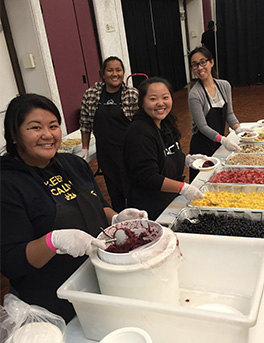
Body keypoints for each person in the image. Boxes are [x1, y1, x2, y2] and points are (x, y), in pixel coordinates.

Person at [0, 94, 147, 323]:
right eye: (35, 127)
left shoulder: (74, 164)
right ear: (14, 135)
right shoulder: (7, 184)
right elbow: (11, 262)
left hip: (98, 278)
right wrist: (53, 241)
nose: (47, 135)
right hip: (52, 302)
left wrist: (117, 218)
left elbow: (99, 205)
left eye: (53, 126)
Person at [124, 77, 206, 221]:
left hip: (169, 200)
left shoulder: (166, 122)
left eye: (165, 97)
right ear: (142, 102)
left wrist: (186, 160)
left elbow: (169, 153)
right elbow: (147, 177)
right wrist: (183, 188)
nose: (160, 103)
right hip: (151, 208)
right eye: (153, 99)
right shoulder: (139, 132)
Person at [78, 56, 139, 212]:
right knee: (114, 192)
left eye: (118, 70)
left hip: (130, 151)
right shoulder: (91, 94)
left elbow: (140, 125)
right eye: (110, 70)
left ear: (123, 73)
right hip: (106, 154)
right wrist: (84, 148)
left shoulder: (132, 94)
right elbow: (85, 123)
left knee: (134, 190)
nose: (114, 74)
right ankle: (120, 222)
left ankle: (140, 220)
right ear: (103, 74)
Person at [188, 46, 243, 182]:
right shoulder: (195, 95)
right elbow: (202, 126)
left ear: (211, 62)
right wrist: (223, 139)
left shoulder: (224, 86)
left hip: (217, 142)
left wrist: (239, 129)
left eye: (203, 62)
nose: (200, 68)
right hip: (202, 145)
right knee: (202, 182)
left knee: (220, 180)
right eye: (195, 65)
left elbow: (229, 114)